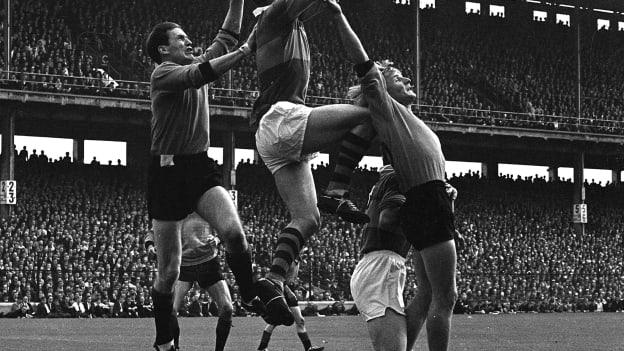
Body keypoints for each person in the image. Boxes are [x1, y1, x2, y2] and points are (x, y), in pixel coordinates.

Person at [332, 6, 459, 350]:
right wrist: (339, 13)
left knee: (430, 293)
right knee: (446, 297)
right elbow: (365, 67)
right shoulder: (387, 109)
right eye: (398, 77)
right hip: (427, 198)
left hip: (429, 196)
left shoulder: (405, 120)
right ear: (381, 88)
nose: (407, 79)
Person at [250, 0, 376, 326]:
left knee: (308, 218)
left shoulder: (291, 22)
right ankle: (336, 189)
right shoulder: (277, 13)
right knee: (374, 113)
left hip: (274, 134)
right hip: (280, 118)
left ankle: (274, 278)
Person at [144, 1, 261, 350]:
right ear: (164, 48)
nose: (189, 41)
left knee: (234, 234)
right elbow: (203, 73)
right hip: (166, 173)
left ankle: (252, 294)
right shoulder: (162, 73)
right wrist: (247, 50)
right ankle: (164, 340)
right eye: (181, 38)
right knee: (169, 271)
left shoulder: (193, 62)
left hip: (198, 166)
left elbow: (226, 35)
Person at [146, 212, 234, 351]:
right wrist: (150, 246)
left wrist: (217, 239)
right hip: (183, 265)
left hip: (208, 263)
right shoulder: (175, 207)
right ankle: (175, 346)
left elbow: (227, 228)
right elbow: (153, 231)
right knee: (171, 311)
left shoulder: (206, 204)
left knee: (227, 309)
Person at [256, 260, 324, 351]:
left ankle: (308, 348)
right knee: (275, 322)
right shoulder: (286, 258)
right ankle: (262, 347)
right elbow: (279, 276)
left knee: (299, 321)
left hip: (287, 290)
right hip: (281, 289)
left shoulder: (296, 259)